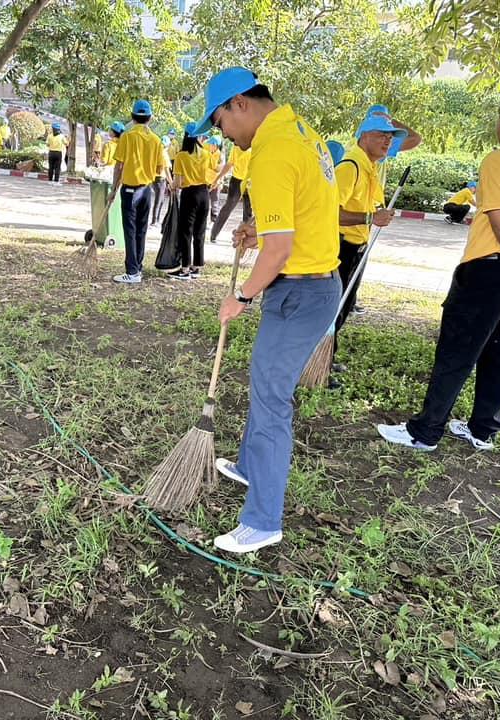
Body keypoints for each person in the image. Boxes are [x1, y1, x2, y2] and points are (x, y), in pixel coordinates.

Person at [193, 67, 341, 554]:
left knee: (274, 398)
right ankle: (250, 466)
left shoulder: (273, 151)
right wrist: (259, 233)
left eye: (218, 123)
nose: (224, 135)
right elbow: (306, 212)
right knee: (264, 378)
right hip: (306, 284)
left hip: (301, 290)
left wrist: (241, 296)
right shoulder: (299, 130)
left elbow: (278, 253)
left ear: (239, 104)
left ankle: (263, 520)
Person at [377, 90, 500, 452]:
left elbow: (499, 220)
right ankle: (483, 429)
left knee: (458, 349)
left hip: (488, 269)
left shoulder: (499, 160)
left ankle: (425, 432)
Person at [329, 113, 406, 385]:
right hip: (340, 247)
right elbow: (329, 212)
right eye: (381, 135)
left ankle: (326, 356)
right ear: (364, 136)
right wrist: (369, 219)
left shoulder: (370, 168)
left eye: (390, 137)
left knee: (345, 305)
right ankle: (318, 361)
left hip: (357, 246)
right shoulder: (350, 167)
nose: (387, 141)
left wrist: (375, 214)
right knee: (333, 307)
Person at [108, 99, 165, 284]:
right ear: (150, 118)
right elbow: (159, 169)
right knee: (141, 230)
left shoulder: (127, 136)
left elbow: (119, 165)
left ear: (132, 117)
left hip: (130, 191)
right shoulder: (156, 140)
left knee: (130, 231)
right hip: (147, 190)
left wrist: (113, 188)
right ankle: (137, 268)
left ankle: (132, 271)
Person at [169, 122, 210, 280]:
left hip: (189, 195)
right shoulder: (205, 154)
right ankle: (197, 266)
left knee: (186, 232)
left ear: (185, 136)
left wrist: (171, 186)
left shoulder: (181, 156)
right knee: (199, 232)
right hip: (204, 193)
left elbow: (178, 182)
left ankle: (184, 268)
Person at [209, 142, 252, 243]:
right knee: (228, 207)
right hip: (237, 180)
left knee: (248, 211)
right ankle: (214, 234)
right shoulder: (237, 145)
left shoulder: (257, 144)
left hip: (251, 181)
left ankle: (244, 239)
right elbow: (229, 164)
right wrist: (218, 178)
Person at [150, 135, 173, 226]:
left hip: (154, 178)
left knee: (161, 199)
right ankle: (154, 220)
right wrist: (171, 182)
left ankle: (157, 219)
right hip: (160, 179)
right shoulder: (164, 154)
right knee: (159, 200)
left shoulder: (155, 152)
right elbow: (167, 170)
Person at [204, 135, 224, 220]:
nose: (210, 146)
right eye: (210, 144)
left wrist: (219, 181)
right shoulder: (206, 151)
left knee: (215, 201)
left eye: (212, 144)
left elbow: (220, 169)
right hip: (205, 180)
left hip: (215, 181)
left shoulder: (220, 155)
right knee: (204, 201)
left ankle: (214, 219)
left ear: (216, 145)